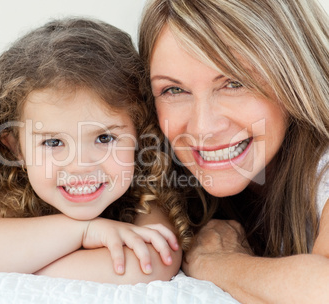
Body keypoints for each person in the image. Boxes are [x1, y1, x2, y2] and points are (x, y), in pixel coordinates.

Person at [0, 18, 183, 284]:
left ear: (140, 136)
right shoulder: (9, 192)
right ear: (15, 149)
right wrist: (83, 231)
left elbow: (151, 264)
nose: (80, 165)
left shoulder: (148, 190)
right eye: (53, 143)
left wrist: (18, 265)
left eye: (105, 138)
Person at [139, 0, 329, 302]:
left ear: (294, 76)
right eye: (173, 90)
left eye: (234, 83)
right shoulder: (156, 164)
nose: (202, 128)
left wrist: (216, 261)